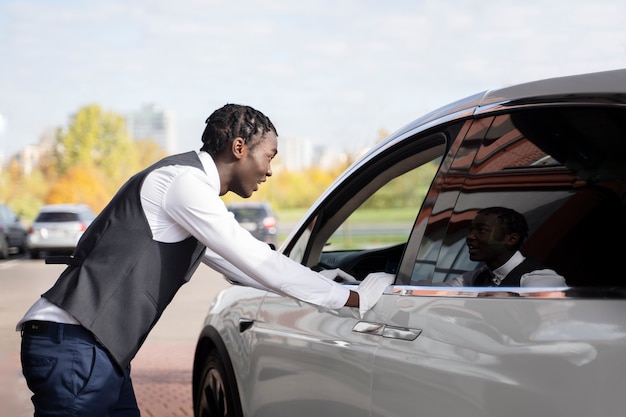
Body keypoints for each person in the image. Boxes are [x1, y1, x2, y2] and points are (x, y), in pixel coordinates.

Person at [17, 104, 392, 417]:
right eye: (270, 156)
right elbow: (258, 260)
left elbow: (247, 271)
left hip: (96, 350)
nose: (271, 170)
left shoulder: (188, 189)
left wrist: (329, 282)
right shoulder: (185, 185)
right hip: (75, 344)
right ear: (240, 147)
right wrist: (354, 299)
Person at [443, 206, 566, 287]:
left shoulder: (541, 279)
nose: (470, 236)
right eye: (471, 230)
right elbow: (433, 289)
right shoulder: (476, 277)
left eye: (481, 230)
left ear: (511, 239)